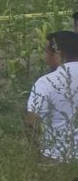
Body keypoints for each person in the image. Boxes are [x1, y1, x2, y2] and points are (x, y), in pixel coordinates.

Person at [26, 30, 78, 162]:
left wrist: (37, 154)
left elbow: (32, 123)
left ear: (59, 54)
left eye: (47, 52)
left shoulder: (46, 83)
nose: (45, 57)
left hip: (58, 157)